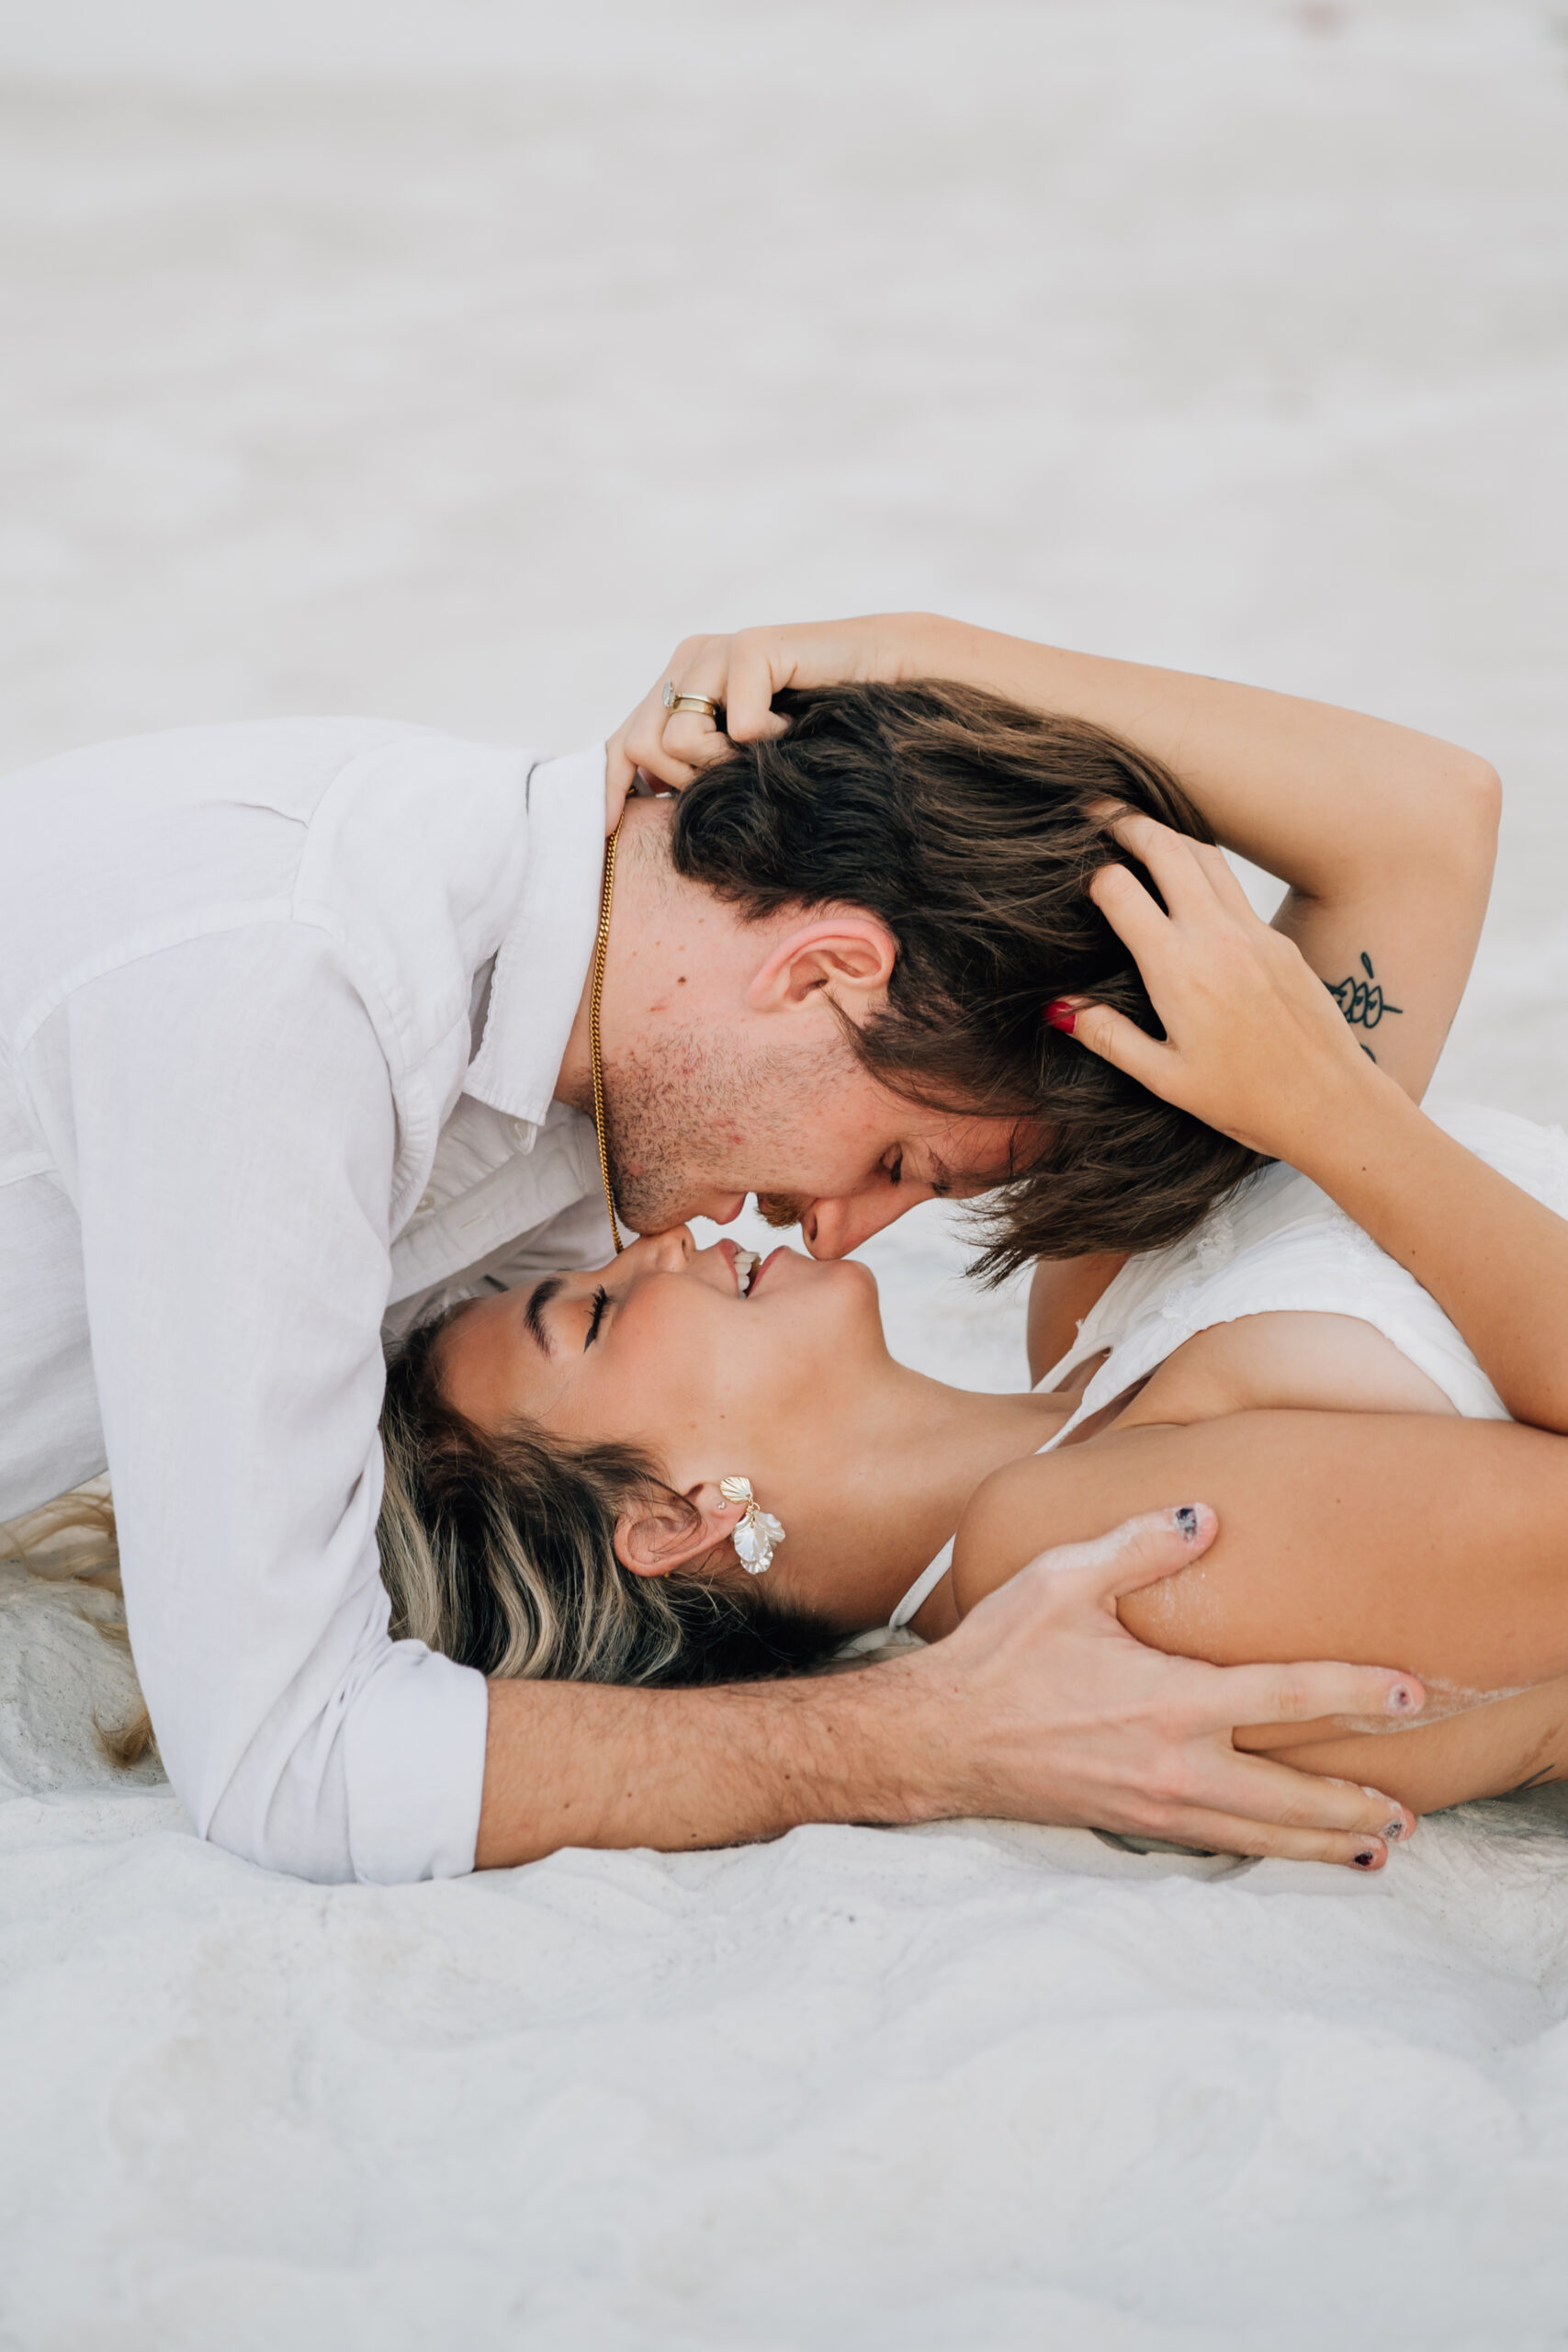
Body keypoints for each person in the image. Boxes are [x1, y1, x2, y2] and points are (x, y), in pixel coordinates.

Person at [0, 616, 1496, 1878]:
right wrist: (923, 1741)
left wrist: (892, 659)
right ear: (825, 971)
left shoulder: (590, 1044)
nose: (838, 1229)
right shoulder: (281, 996)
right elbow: (286, 1760)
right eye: (898, 1157)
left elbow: (1421, 825)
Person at [384, 809, 1568, 1840]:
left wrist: (884, 649)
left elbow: (1412, 836)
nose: (653, 1243)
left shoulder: (1091, 1291)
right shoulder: (1087, 1574)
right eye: (587, 1317)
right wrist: (1325, 1113)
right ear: (669, 1519)